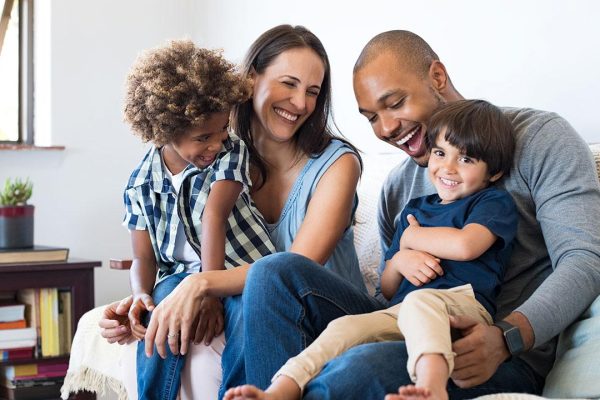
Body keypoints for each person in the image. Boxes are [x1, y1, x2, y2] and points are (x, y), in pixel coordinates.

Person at [230, 30, 600, 399]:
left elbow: (585, 260)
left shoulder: (540, 138)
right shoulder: (398, 186)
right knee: (273, 272)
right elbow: (390, 297)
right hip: (409, 325)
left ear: (436, 78)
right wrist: (400, 262)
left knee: (356, 370)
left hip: (498, 353)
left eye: (395, 103)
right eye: (372, 117)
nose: (387, 128)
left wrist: (507, 337)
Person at [96, 24, 372, 400]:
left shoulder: (336, 164)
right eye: (288, 83)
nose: (302, 103)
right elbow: (179, 246)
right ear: (251, 78)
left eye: (312, 91)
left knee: (266, 281)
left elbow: (293, 270)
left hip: (324, 310)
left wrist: (201, 284)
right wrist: (146, 299)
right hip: (258, 301)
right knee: (171, 302)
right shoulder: (215, 157)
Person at [223, 99, 518, 400]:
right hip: (401, 311)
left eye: (466, 160)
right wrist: (401, 258)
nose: (448, 168)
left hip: (461, 308)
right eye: (440, 153)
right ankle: (279, 390)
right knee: (344, 328)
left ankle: (431, 389)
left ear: (492, 173)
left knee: (421, 303)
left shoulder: (491, 202)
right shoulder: (415, 210)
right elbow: (388, 288)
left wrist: (412, 240)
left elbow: (466, 245)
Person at [120, 40, 276, 400]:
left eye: (221, 130)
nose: (215, 144)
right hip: (178, 277)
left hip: (239, 269)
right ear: (164, 130)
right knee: (159, 310)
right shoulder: (140, 183)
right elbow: (143, 257)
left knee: (245, 313)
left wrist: (209, 290)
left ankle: (239, 394)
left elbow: (214, 216)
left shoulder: (230, 151)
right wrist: (140, 295)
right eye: (203, 137)